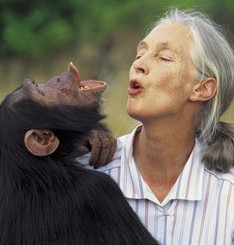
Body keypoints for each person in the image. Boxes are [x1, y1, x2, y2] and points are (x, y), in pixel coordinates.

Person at [80, 7, 234, 244]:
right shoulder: (87, 171)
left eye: (164, 57)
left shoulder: (228, 193)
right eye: (139, 54)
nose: (138, 65)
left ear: (202, 88)